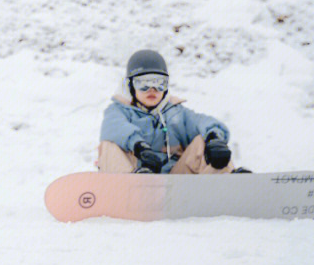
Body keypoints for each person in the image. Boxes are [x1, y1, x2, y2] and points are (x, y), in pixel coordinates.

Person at [98, 49, 238, 174]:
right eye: (143, 83)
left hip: (176, 182)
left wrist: (214, 138)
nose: (152, 89)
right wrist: (139, 147)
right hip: (135, 179)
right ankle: (129, 188)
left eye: (159, 83)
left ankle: (230, 184)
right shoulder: (119, 110)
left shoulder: (176, 114)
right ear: (130, 86)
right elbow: (113, 127)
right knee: (109, 145)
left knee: (204, 142)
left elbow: (202, 122)